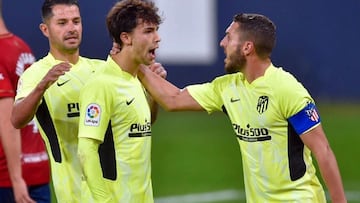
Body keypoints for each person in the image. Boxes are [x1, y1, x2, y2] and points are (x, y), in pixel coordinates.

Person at [137, 13, 347, 202]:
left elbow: (323, 150)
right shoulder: (227, 88)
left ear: (247, 47)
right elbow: (174, 99)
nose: (222, 43)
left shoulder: (287, 89)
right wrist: (138, 64)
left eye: (229, 37)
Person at [77, 0, 164, 202]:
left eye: (156, 30)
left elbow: (141, 125)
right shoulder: (101, 84)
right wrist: (103, 200)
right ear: (126, 38)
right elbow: (86, 150)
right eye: (149, 31)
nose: (157, 38)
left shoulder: (135, 80)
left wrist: (152, 95)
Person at [0, 0, 50, 202]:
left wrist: (16, 178)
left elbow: (7, 121)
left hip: (8, 178)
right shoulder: (21, 46)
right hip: (37, 165)